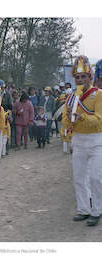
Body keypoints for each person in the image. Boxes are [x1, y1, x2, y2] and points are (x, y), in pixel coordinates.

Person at [62, 55, 102, 226]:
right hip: (78, 140)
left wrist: (82, 117)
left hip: (96, 140)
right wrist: (70, 115)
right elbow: (65, 122)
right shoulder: (71, 97)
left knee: (95, 177)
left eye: (83, 76)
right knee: (79, 177)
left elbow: (99, 119)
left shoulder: (99, 94)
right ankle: (83, 210)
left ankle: (97, 211)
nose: (80, 80)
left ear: (90, 77)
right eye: (77, 77)